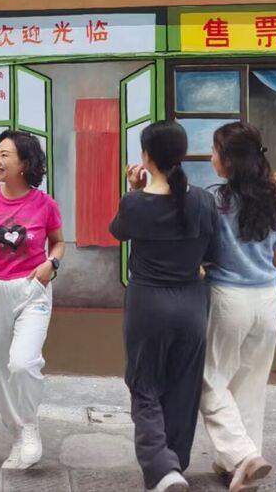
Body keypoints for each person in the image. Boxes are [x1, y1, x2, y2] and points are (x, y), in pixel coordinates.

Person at [109, 122, 219, 492]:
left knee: (145, 386)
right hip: (192, 304)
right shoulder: (204, 200)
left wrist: (132, 190)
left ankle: (161, 467)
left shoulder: (135, 203)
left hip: (148, 304)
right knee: (184, 389)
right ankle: (175, 465)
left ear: (146, 157)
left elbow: (117, 230)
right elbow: (214, 255)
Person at [0, 130, 64, 470]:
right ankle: (18, 436)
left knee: (22, 363)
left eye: (5, 155)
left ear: (24, 164)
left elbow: (58, 242)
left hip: (33, 288)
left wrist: (52, 263)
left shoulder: (44, 204)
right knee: (2, 371)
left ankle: (30, 425)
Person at [199, 122, 276, 492]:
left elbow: (202, 251)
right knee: (250, 385)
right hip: (267, 297)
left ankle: (242, 455)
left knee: (210, 380)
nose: (211, 158)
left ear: (230, 161)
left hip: (228, 297)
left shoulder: (215, 201)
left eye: (215, 151)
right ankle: (237, 468)